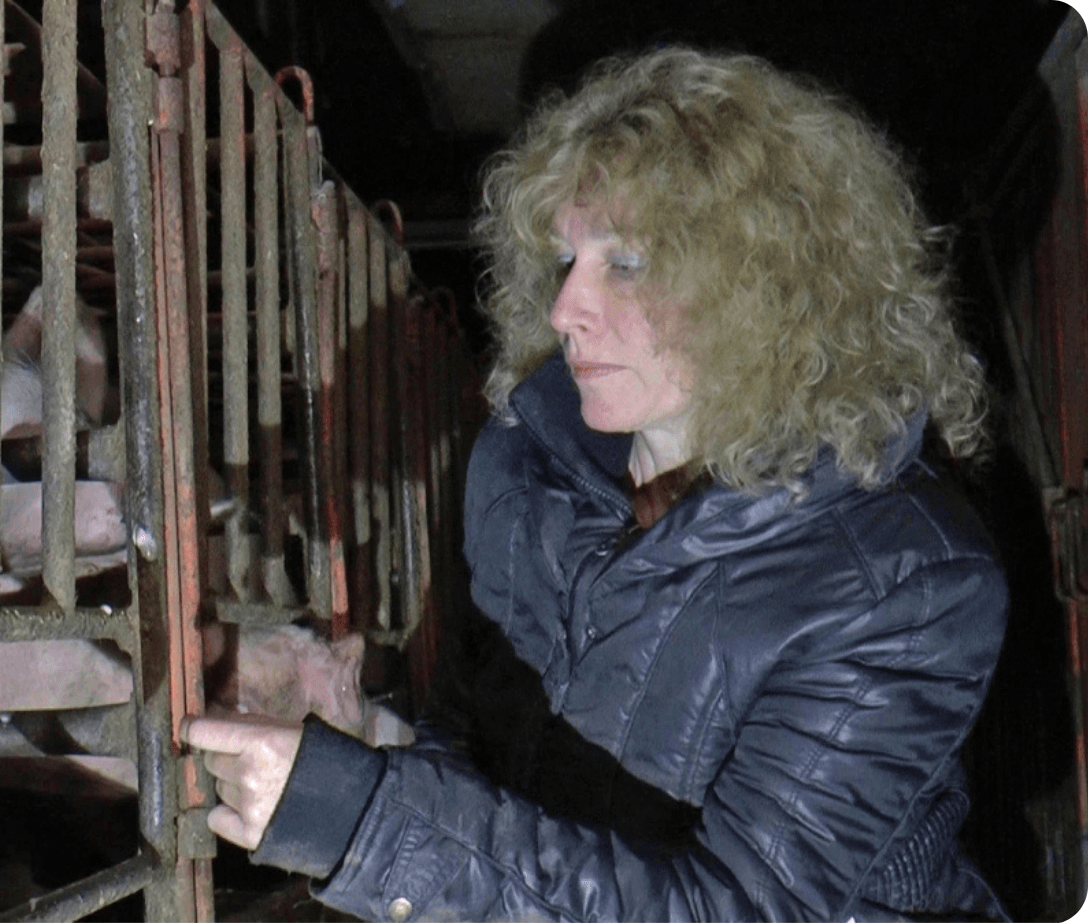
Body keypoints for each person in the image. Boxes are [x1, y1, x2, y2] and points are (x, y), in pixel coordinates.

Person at [183, 45, 1009, 921]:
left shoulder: (907, 585)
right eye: (567, 259)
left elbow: (738, 911)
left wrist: (364, 826)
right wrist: (361, 774)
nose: (564, 308)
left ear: (765, 287)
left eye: (629, 263)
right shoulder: (522, 464)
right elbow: (467, 738)